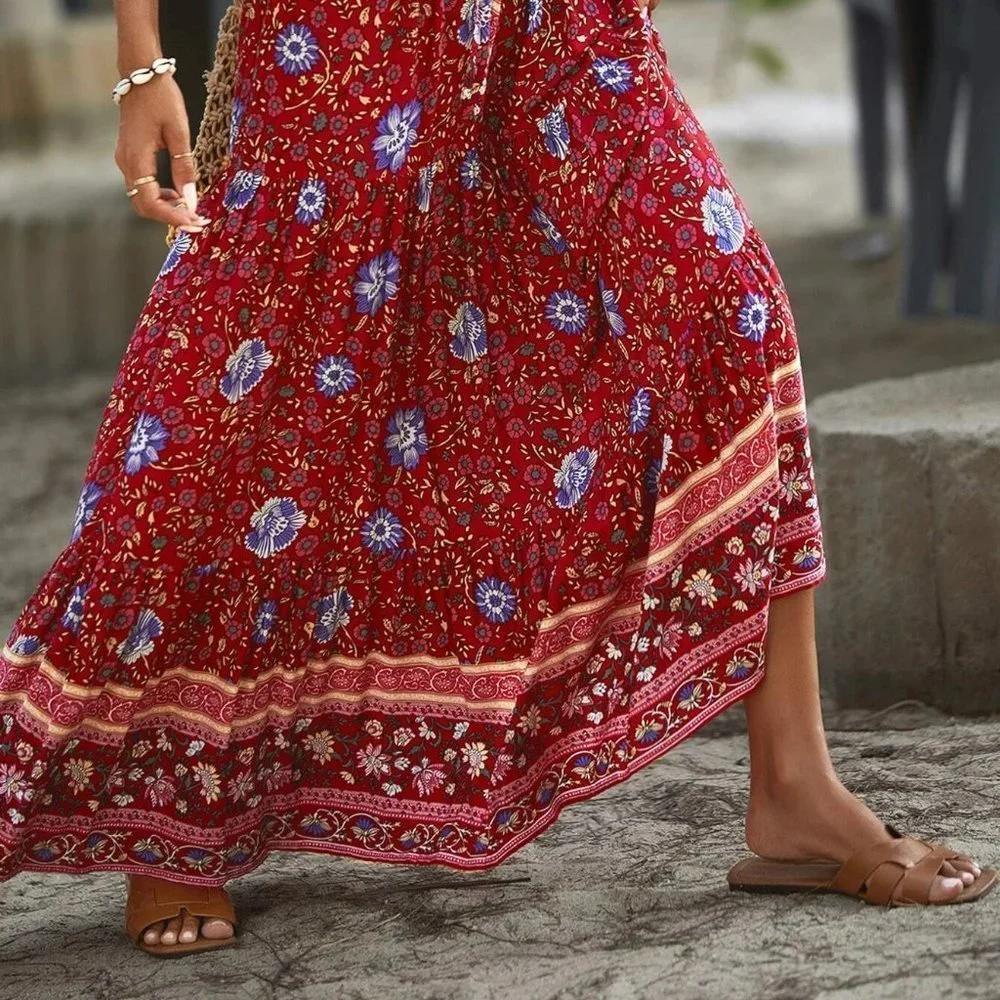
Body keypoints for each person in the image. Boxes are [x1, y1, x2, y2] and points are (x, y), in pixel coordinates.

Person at [0, 0, 993, 958]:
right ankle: (169, 797)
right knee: (250, 396)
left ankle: (793, 778)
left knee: (725, 306)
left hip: (558, 21)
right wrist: (141, 60)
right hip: (339, 31)